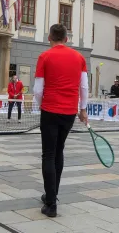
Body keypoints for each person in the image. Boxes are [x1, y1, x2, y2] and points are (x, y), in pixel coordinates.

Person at [34, 24, 89, 218]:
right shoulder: (80, 58)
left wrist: (40, 105)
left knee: (48, 154)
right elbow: (84, 87)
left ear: (49, 37)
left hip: (50, 109)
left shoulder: (45, 57)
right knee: (59, 151)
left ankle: (51, 204)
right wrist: (82, 109)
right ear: (67, 38)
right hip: (69, 112)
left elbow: (38, 89)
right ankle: (52, 194)